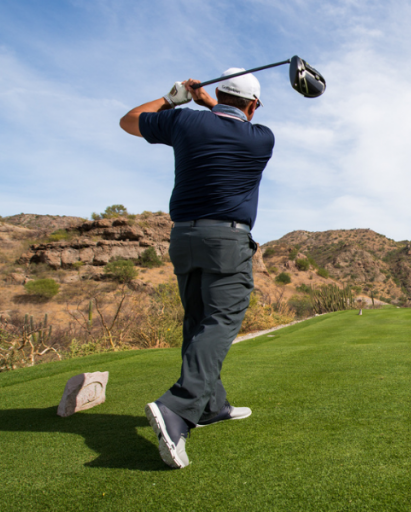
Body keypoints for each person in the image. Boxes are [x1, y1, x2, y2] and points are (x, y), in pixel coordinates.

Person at [119, 69, 273, 468]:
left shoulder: (184, 120)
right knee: (222, 320)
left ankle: (211, 407)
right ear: (253, 105)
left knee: (198, 320)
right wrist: (211, 104)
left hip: (182, 238)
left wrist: (173, 99)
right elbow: (231, 118)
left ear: (219, 93)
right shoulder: (262, 138)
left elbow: (129, 121)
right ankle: (178, 408)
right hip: (227, 240)